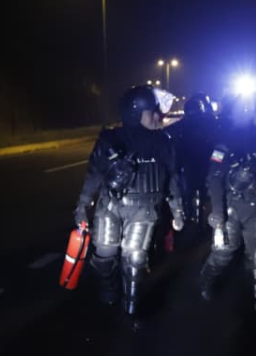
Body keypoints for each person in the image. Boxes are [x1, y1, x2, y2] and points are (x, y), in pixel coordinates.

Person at [73, 86, 185, 315]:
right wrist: (82, 205)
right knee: (104, 258)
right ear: (135, 113)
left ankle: (131, 307)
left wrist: (177, 210)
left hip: (144, 210)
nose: (158, 116)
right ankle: (109, 289)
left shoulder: (164, 141)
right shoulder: (110, 140)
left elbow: (171, 178)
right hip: (110, 207)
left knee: (134, 260)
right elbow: (94, 174)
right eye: (152, 112)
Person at [199, 92, 256, 305]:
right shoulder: (227, 143)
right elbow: (213, 177)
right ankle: (206, 281)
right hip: (232, 206)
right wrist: (217, 211)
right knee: (223, 253)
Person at [170, 93, 219, 226]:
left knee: (204, 189)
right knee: (196, 189)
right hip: (194, 164)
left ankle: (192, 212)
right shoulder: (209, 124)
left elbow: (218, 145)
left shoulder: (208, 124)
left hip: (198, 164)